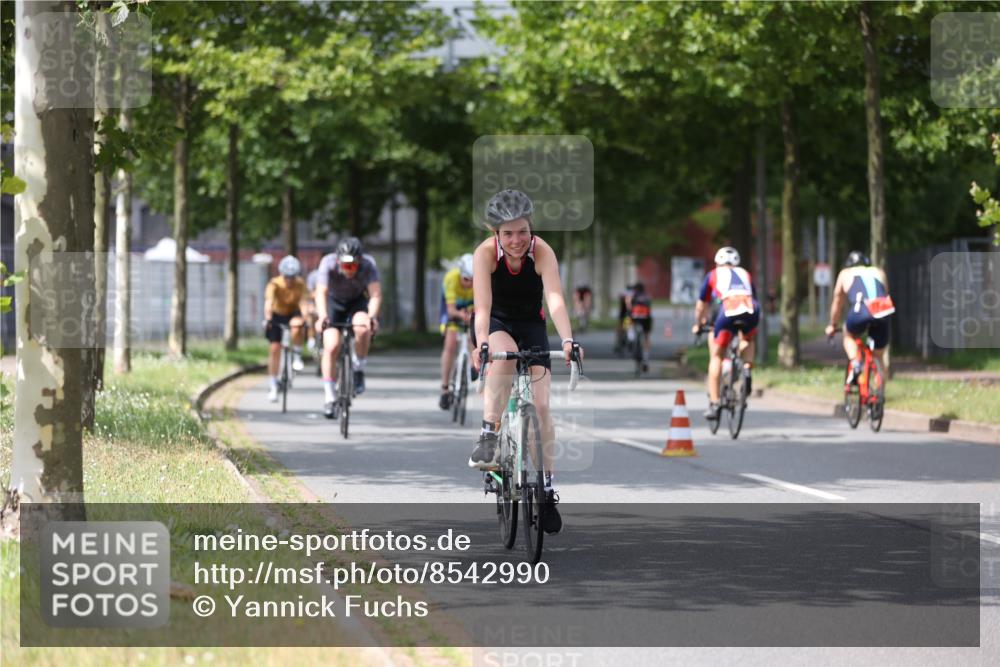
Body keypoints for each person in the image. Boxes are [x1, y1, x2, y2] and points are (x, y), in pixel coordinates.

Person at [468, 188, 584, 536]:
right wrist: (483, 342)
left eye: (522, 231)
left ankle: (546, 489)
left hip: (532, 325)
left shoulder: (542, 252)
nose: (517, 240)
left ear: (530, 229)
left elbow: (555, 301)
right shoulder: (485, 254)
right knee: (503, 362)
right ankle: (489, 434)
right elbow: (483, 308)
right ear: (496, 234)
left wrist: (567, 339)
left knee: (543, 405)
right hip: (497, 325)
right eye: (508, 233)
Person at [314, 237, 381, 418]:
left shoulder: (368, 265)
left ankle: (358, 367)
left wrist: (372, 317)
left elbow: (374, 294)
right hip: (334, 304)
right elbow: (321, 292)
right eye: (345, 266)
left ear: (359, 261)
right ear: (338, 261)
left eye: (352, 266)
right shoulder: (327, 263)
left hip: (356, 303)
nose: (348, 270)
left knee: (362, 327)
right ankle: (329, 397)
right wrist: (322, 317)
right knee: (332, 346)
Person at [691, 246, 759, 420]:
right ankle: (747, 368)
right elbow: (753, 296)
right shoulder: (745, 273)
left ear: (717, 262)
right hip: (751, 308)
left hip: (728, 310)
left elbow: (701, 305)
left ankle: (714, 404)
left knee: (717, 357)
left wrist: (698, 324)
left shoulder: (713, 274)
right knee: (748, 339)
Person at [824, 250, 895, 384]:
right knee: (879, 356)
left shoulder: (845, 273)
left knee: (848, 333)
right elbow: (884, 294)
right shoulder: (879, 272)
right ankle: (878, 396)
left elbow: (837, 303)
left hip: (860, 308)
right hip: (883, 309)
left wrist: (832, 325)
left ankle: (856, 363)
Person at [264, 255, 308, 402]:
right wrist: (268, 318)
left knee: (297, 325)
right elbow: (269, 302)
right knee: (274, 349)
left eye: (292, 277)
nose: (289, 280)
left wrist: (306, 318)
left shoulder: (300, 284)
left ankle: (296, 354)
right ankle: (273, 385)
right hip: (277, 314)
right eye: (287, 277)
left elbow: (303, 303)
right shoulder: (274, 283)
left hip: (293, 313)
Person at [439, 253, 476, 410]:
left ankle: (474, 367)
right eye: (466, 279)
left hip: (470, 307)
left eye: (473, 281)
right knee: (450, 343)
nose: (469, 284)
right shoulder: (451, 278)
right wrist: (461, 315)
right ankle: (445, 388)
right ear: (461, 274)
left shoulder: (478, 281)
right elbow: (451, 310)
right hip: (452, 309)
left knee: (474, 336)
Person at [626, 281, 653, 371]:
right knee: (646, 336)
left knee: (629, 323)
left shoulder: (633, 295)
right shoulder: (647, 296)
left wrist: (630, 311)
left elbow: (629, 305)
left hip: (635, 316)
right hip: (646, 318)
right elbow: (649, 308)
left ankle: (630, 338)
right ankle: (646, 359)